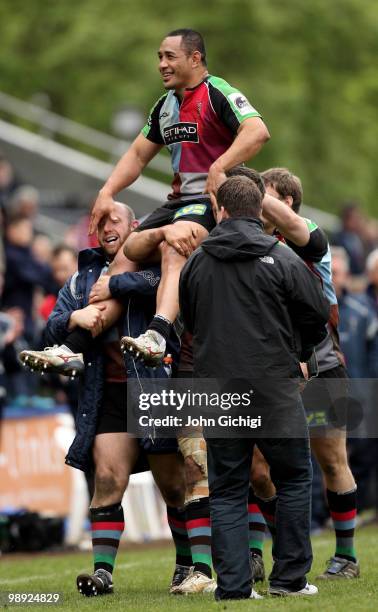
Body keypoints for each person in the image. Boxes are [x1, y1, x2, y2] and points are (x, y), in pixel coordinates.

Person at [21, 203, 189, 597]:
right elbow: (49, 328)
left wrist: (114, 285)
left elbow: (158, 285)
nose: (108, 226)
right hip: (108, 392)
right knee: (109, 477)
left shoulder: (161, 263)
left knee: (173, 485)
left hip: (155, 386)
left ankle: (186, 566)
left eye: (116, 220)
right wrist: (72, 320)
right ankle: (103, 574)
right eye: (101, 222)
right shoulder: (82, 280)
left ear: (135, 227)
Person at [179, 176, 330, 599]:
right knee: (295, 478)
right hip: (274, 386)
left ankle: (234, 589)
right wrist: (295, 350)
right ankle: (289, 580)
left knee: (227, 488)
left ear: (221, 211)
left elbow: (188, 322)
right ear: (260, 212)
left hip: (220, 388)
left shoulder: (196, 262)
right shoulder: (281, 257)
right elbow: (316, 317)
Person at [88, 28, 269, 365]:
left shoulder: (218, 92)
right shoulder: (164, 105)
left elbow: (258, 131)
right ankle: (74, 343)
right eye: (159, 57)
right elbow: (138, 156)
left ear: (195, 59)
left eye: (169, 56)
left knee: (175, 245)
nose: (161, 64)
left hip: (214, 204)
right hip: (177, 201)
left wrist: (220, 166)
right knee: (123, 259)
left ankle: (157, 335)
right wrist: (107, 191)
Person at [248, 168, 361, 581]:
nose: (256, 202)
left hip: (323, 366)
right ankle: (277, 550)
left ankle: (346, 555)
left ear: (287, 202)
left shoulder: (309, 235)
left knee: (331, 459)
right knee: (257, 466)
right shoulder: (255, 242)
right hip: (273, 370)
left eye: (264, 195)